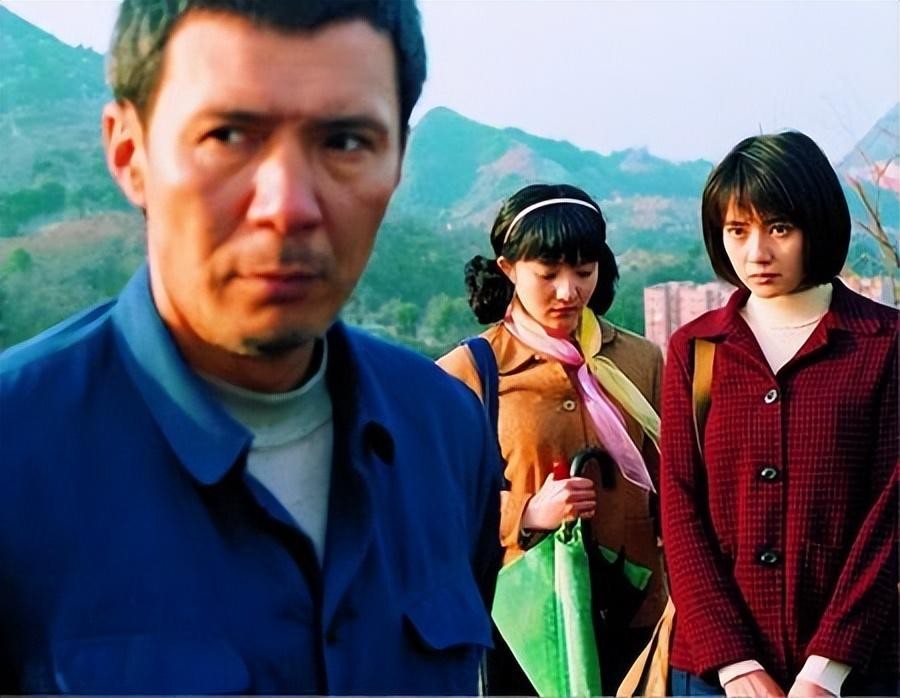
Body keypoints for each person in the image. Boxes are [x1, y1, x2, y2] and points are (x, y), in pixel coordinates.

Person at [0, 1, 503, 694]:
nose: (288, 204)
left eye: (345, 141)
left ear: (397, 163)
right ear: (130, 153)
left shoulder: (444, 432)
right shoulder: (17, 450)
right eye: (229, 135)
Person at [661, 131, 898, 697]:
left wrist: (825, 670)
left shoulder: (884, 343)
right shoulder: (697, 348)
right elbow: (679, 509)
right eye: (737, 231)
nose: (757, 254)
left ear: (817, 225)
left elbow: (890, 515)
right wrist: (735, 665)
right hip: (714, 674)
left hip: (859, 671)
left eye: (779, 229)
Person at [438, 183, 667, 693]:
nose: (569, 291)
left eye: (584, 272)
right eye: (548, 274)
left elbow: (671, 483)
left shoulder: (640, 359)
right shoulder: (469, 372)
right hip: (524, 622)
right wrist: (526, 513)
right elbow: (426, 501)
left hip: (636, 615)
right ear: (508, 269)